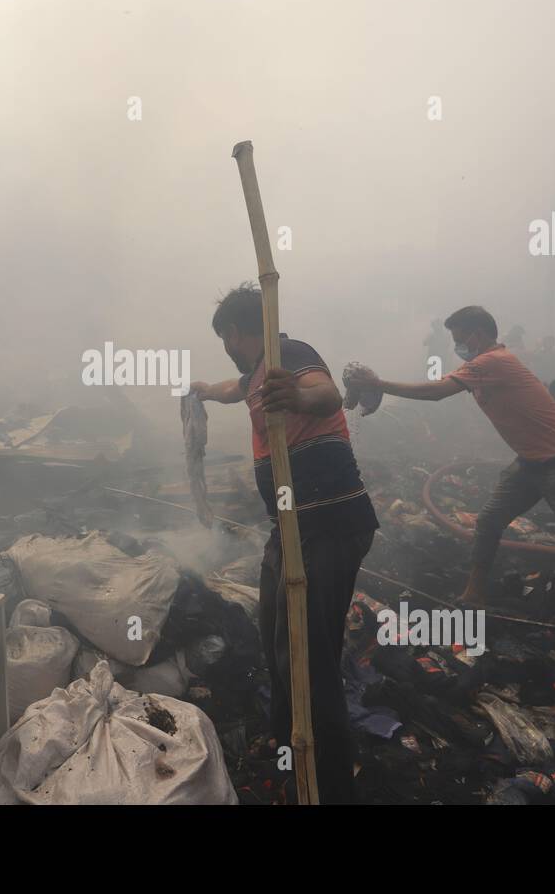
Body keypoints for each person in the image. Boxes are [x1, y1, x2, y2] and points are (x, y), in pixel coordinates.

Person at [345, 304, 555, 678]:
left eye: (460, 339)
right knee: (490, 519)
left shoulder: (493, 361)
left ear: (478, 335)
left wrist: (378, 384)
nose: (458, 346)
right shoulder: (489, 364)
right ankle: (473, 595)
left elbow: (437, 392)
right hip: (531, 461)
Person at [190, 283, 379, 804]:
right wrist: (206, 389)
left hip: (329, 524)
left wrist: (296, 397)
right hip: (292, 527)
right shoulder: (254, 375)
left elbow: (324, 393)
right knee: (275, 625)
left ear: (232, 332)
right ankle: (287, 737)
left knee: (309, 653)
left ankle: (329, 780)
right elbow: (239, 388)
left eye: (223, 336)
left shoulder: (289, 355)